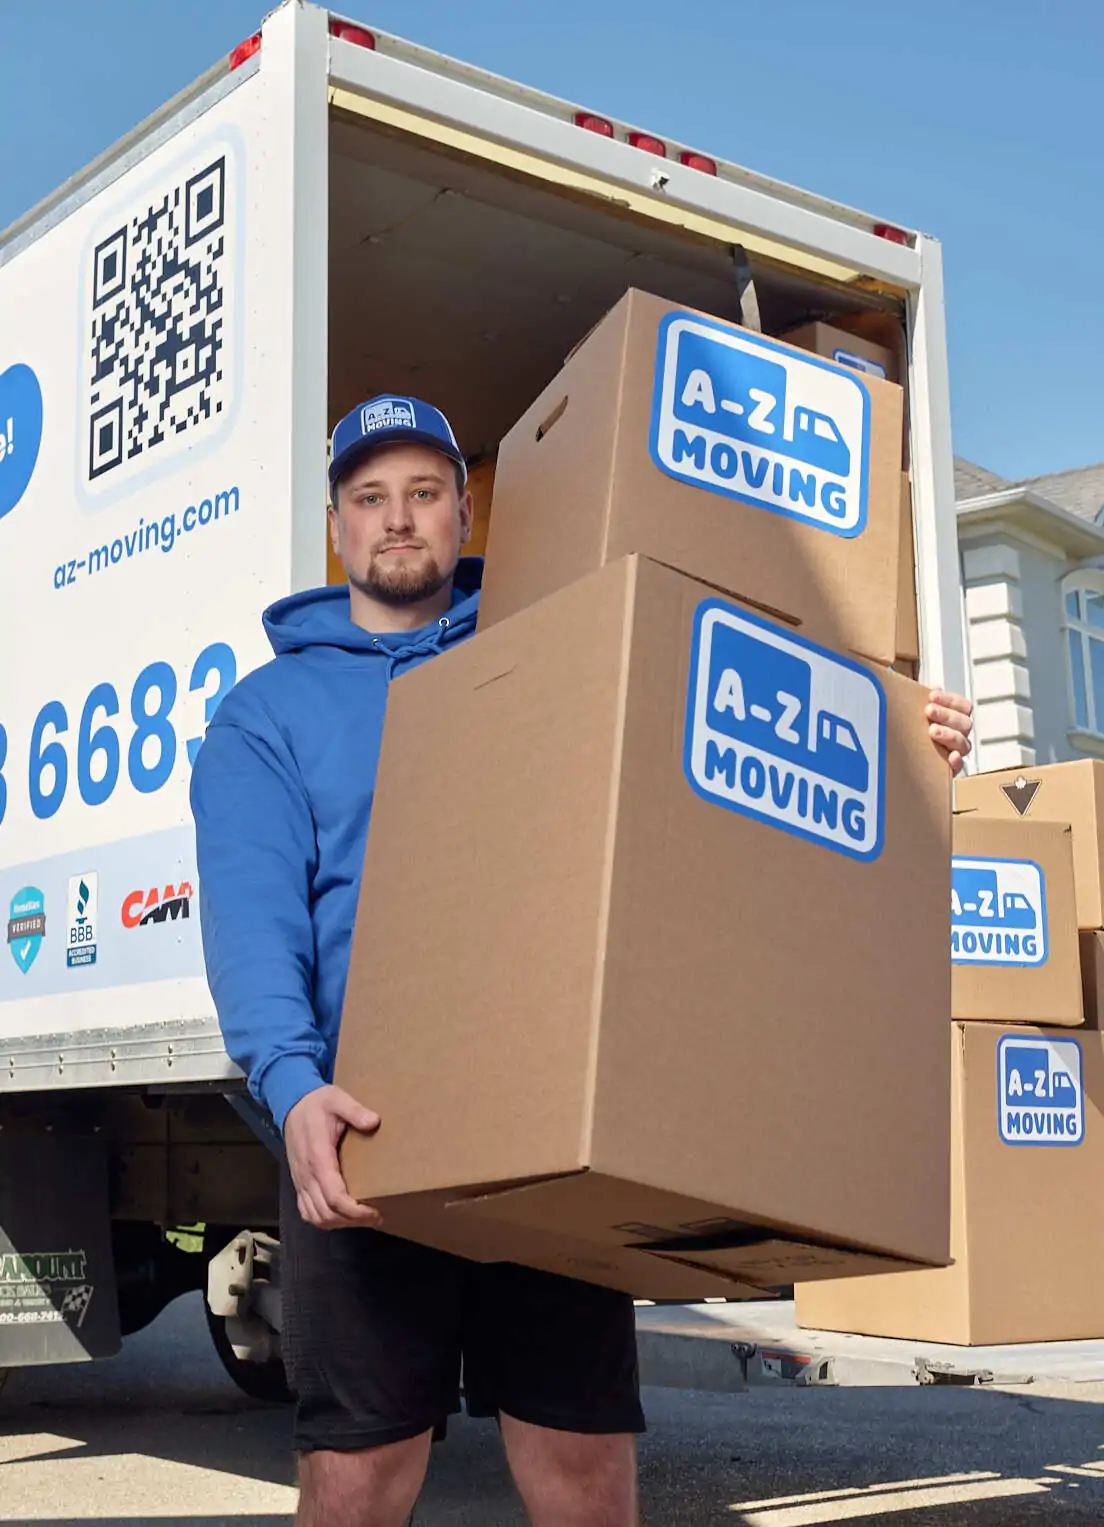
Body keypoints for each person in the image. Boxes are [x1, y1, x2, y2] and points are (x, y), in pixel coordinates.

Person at [190, 393, 974, 1527]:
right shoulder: (267, 713)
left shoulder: (562, 637)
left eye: (422, 494)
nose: (397, 520)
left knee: (584, 1466)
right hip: (368, 1130)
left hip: (553, 1124)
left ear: (466, 511)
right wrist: (291, 1084)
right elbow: (257, 920)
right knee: (360, 1475)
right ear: (336, 527)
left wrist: (902, 736)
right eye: (370, 499)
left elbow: (727, 765)